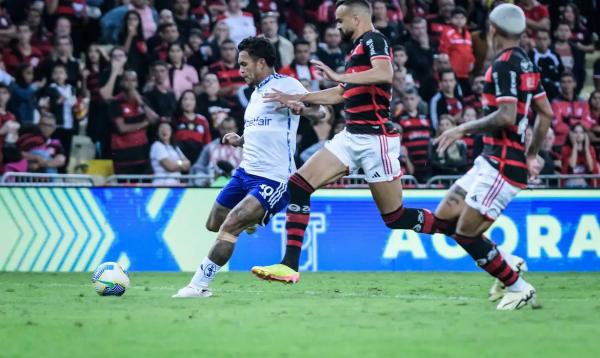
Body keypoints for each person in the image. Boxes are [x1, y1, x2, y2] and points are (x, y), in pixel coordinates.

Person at [252, 0, 448, 284]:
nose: (337, 26)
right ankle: (289, 265)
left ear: (356, 19)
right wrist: (299, 97)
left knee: (396, 218)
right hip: (351, 136)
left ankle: (459, 230)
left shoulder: (374, 40)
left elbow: (385, 73)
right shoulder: (356, 50)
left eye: (340, 21)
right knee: (299, 185)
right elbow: (342, 93)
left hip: (375, 139)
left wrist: (337, 75)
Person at [172, 36, 326, 298]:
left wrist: (303, 109)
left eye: (244, 64)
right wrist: (240, 139)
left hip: (274, 177)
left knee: (231, 225)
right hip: (245, 172)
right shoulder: (254, 94)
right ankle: (252, 219)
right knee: (214, 223)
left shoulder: (287, 84)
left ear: (262, 62)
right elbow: (263, 128)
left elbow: (321, 112)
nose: (240, 70)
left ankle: (198, 286)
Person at [432, 4, 553, 310]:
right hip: (490, 159)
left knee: (465, 233)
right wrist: (532, 154)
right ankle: (509, 263)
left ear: (493, 31)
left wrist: (462, 128)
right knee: (447, 215)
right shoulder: (527, 63)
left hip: (501, 165)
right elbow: (546, 113)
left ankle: (518, 287)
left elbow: (506, 115)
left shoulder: (503, 65)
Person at [109, 70, 159, 175]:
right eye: (127, 80)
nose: (130, 83)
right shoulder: (115, 102)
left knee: (144, 189)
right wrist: (145, 124)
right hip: (123, 157)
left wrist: (140, 102)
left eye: (133, 80)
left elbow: (154, 119)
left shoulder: (143, 100)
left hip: (142, 155)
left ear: (137, 83)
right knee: (124, 190)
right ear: (121, 83)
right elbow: (122, 128)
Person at [173, 89, 212, 163]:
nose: (188, 102)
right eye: (185, 99)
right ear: (180, 101)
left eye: (191, 99)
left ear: (196, 102)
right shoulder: (175, 119)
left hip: (199, 159)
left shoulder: (202, 120)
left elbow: (207, 142)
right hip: (179, 158)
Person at [150, 121, 191, 185]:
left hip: (176, 183)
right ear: (157, 132)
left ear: (171, 132)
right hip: (162, 185)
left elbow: (188, 164)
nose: (164, 131)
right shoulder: (157, 146)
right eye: (162, 128)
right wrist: (180, 163)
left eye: (167, 129)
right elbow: (170, 167)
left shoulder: (175, 147)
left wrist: (177, 163)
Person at [560, 123, 599, 188]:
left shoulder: (590, 149)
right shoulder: (566, 149)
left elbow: (591, 168)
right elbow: (571, 166)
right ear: (571, 134)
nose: (578, 135)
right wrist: (575, 146)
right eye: (576, 132)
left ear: (585, 135)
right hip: (570, 182)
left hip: (587, 183)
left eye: (581, 132)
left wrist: (586, 148)